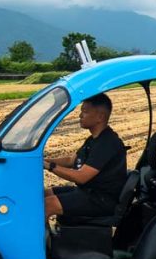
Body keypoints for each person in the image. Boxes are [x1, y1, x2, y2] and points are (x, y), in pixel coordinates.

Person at [43, 93, 127, 224]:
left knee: (48, 204)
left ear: (100, 117)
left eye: (85, 112)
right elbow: (71, 160)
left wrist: (50, 167)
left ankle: (35, 244)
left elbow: (81, 177)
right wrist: (43, 161)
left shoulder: (107, 143)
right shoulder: (94, 139)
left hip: (101, 199)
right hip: (89, 192)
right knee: (45, 194)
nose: (80, 116)